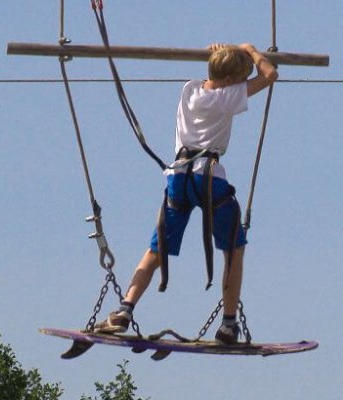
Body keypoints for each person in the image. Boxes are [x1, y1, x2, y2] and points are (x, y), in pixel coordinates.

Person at [93, 43, 279, 345]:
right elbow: (270, 74)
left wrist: (221, 53)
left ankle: (124, 309)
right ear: (233, 80)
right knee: (233, 249)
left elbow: (215, 74)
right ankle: (229, 324)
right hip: (210, 179)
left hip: (178, 177)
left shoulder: (190, 90)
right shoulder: (228, 98)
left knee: (156, 251)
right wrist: (252, 50)